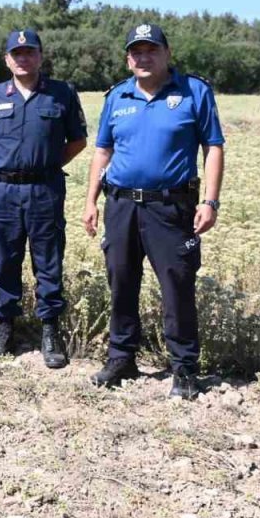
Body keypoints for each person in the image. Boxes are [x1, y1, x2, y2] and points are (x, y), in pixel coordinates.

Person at [82, 23, 225, 400]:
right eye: (136, 51)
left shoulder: (194, 91)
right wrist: (90, 201)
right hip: (121, 205)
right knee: (121, 281)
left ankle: (184, 368)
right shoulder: (117, 96)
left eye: (151, 50)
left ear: (167, 52)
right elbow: (102, 152)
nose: (143, 58)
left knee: (177, 285)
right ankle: (121, 357)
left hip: (171, 207)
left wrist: (210, 200)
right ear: (128, 58)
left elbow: (213, 147)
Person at [0, 30, 87, 368]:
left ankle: (49, 331)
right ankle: (4, 327)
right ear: (7, 59)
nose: (23, 58)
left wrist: (46, 164)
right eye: (16, 53)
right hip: (3, 191)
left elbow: (77, 141)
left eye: (29, 52)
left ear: (40, 56)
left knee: (48, 261)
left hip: (45, 190)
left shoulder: (62, 93)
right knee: (3, 259)